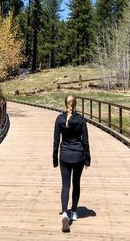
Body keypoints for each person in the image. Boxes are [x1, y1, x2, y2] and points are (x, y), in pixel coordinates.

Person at [53, 94, 91, 233]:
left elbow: (56, 140)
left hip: (65, 155)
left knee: (65, 184)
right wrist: (87, 159)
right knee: (76, 183)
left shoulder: (60, 119)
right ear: (75, 104)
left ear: (65, 104)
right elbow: (85, 141)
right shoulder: (80, 120)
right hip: (78, 155)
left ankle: (64, 212)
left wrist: (55, 159)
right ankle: (74, 211)